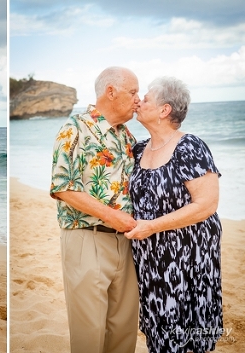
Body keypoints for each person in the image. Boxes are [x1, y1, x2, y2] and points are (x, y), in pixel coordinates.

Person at [125, 77, 222, 353]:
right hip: (150, 257)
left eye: (145, 99)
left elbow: (207, 204)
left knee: (188, 332)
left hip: (188, 255)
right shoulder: (139, 149)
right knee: (159, 330)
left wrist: (153, 226)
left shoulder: (190, 146)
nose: (138, 102)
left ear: (164, 110)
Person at [50, 66, 140, 352]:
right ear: (110, 92)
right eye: (133, 92)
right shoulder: (74, 128)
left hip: (126, 243)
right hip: (85, 237)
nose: (137, 99)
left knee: (123, 329)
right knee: (89, 332)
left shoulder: (127, 137)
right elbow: (62, 187)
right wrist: (113, 216)